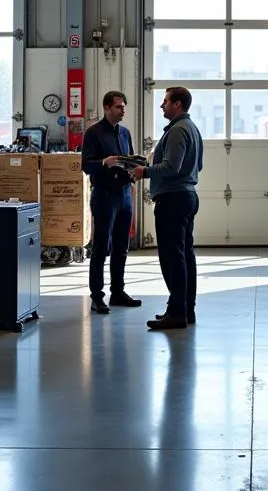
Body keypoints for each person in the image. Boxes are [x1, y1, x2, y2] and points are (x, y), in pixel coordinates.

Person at [131, 87, 203, 331]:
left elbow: (171, 167)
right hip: (187, 196)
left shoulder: (177, 131)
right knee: (184, 256)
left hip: (173, 199)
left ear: (178, 105)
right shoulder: (192, 129)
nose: (162, 106)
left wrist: (145, 171)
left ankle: (176, 312)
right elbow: (197, 165)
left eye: (165, 102)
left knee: (173, 259)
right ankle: (185, 308)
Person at [81, 91, 142, 313]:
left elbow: (131, 158)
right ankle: (97, 296)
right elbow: (86, 165)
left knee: (121, 247)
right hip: (105, 195)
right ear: (107, 108)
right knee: (101, 247)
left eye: (124, 106)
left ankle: (118, 291)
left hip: (125, 194)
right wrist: (105, 162)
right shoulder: (93, 133)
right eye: (118, 106)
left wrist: (135, 169)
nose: (122, 110)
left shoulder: (125, 133)